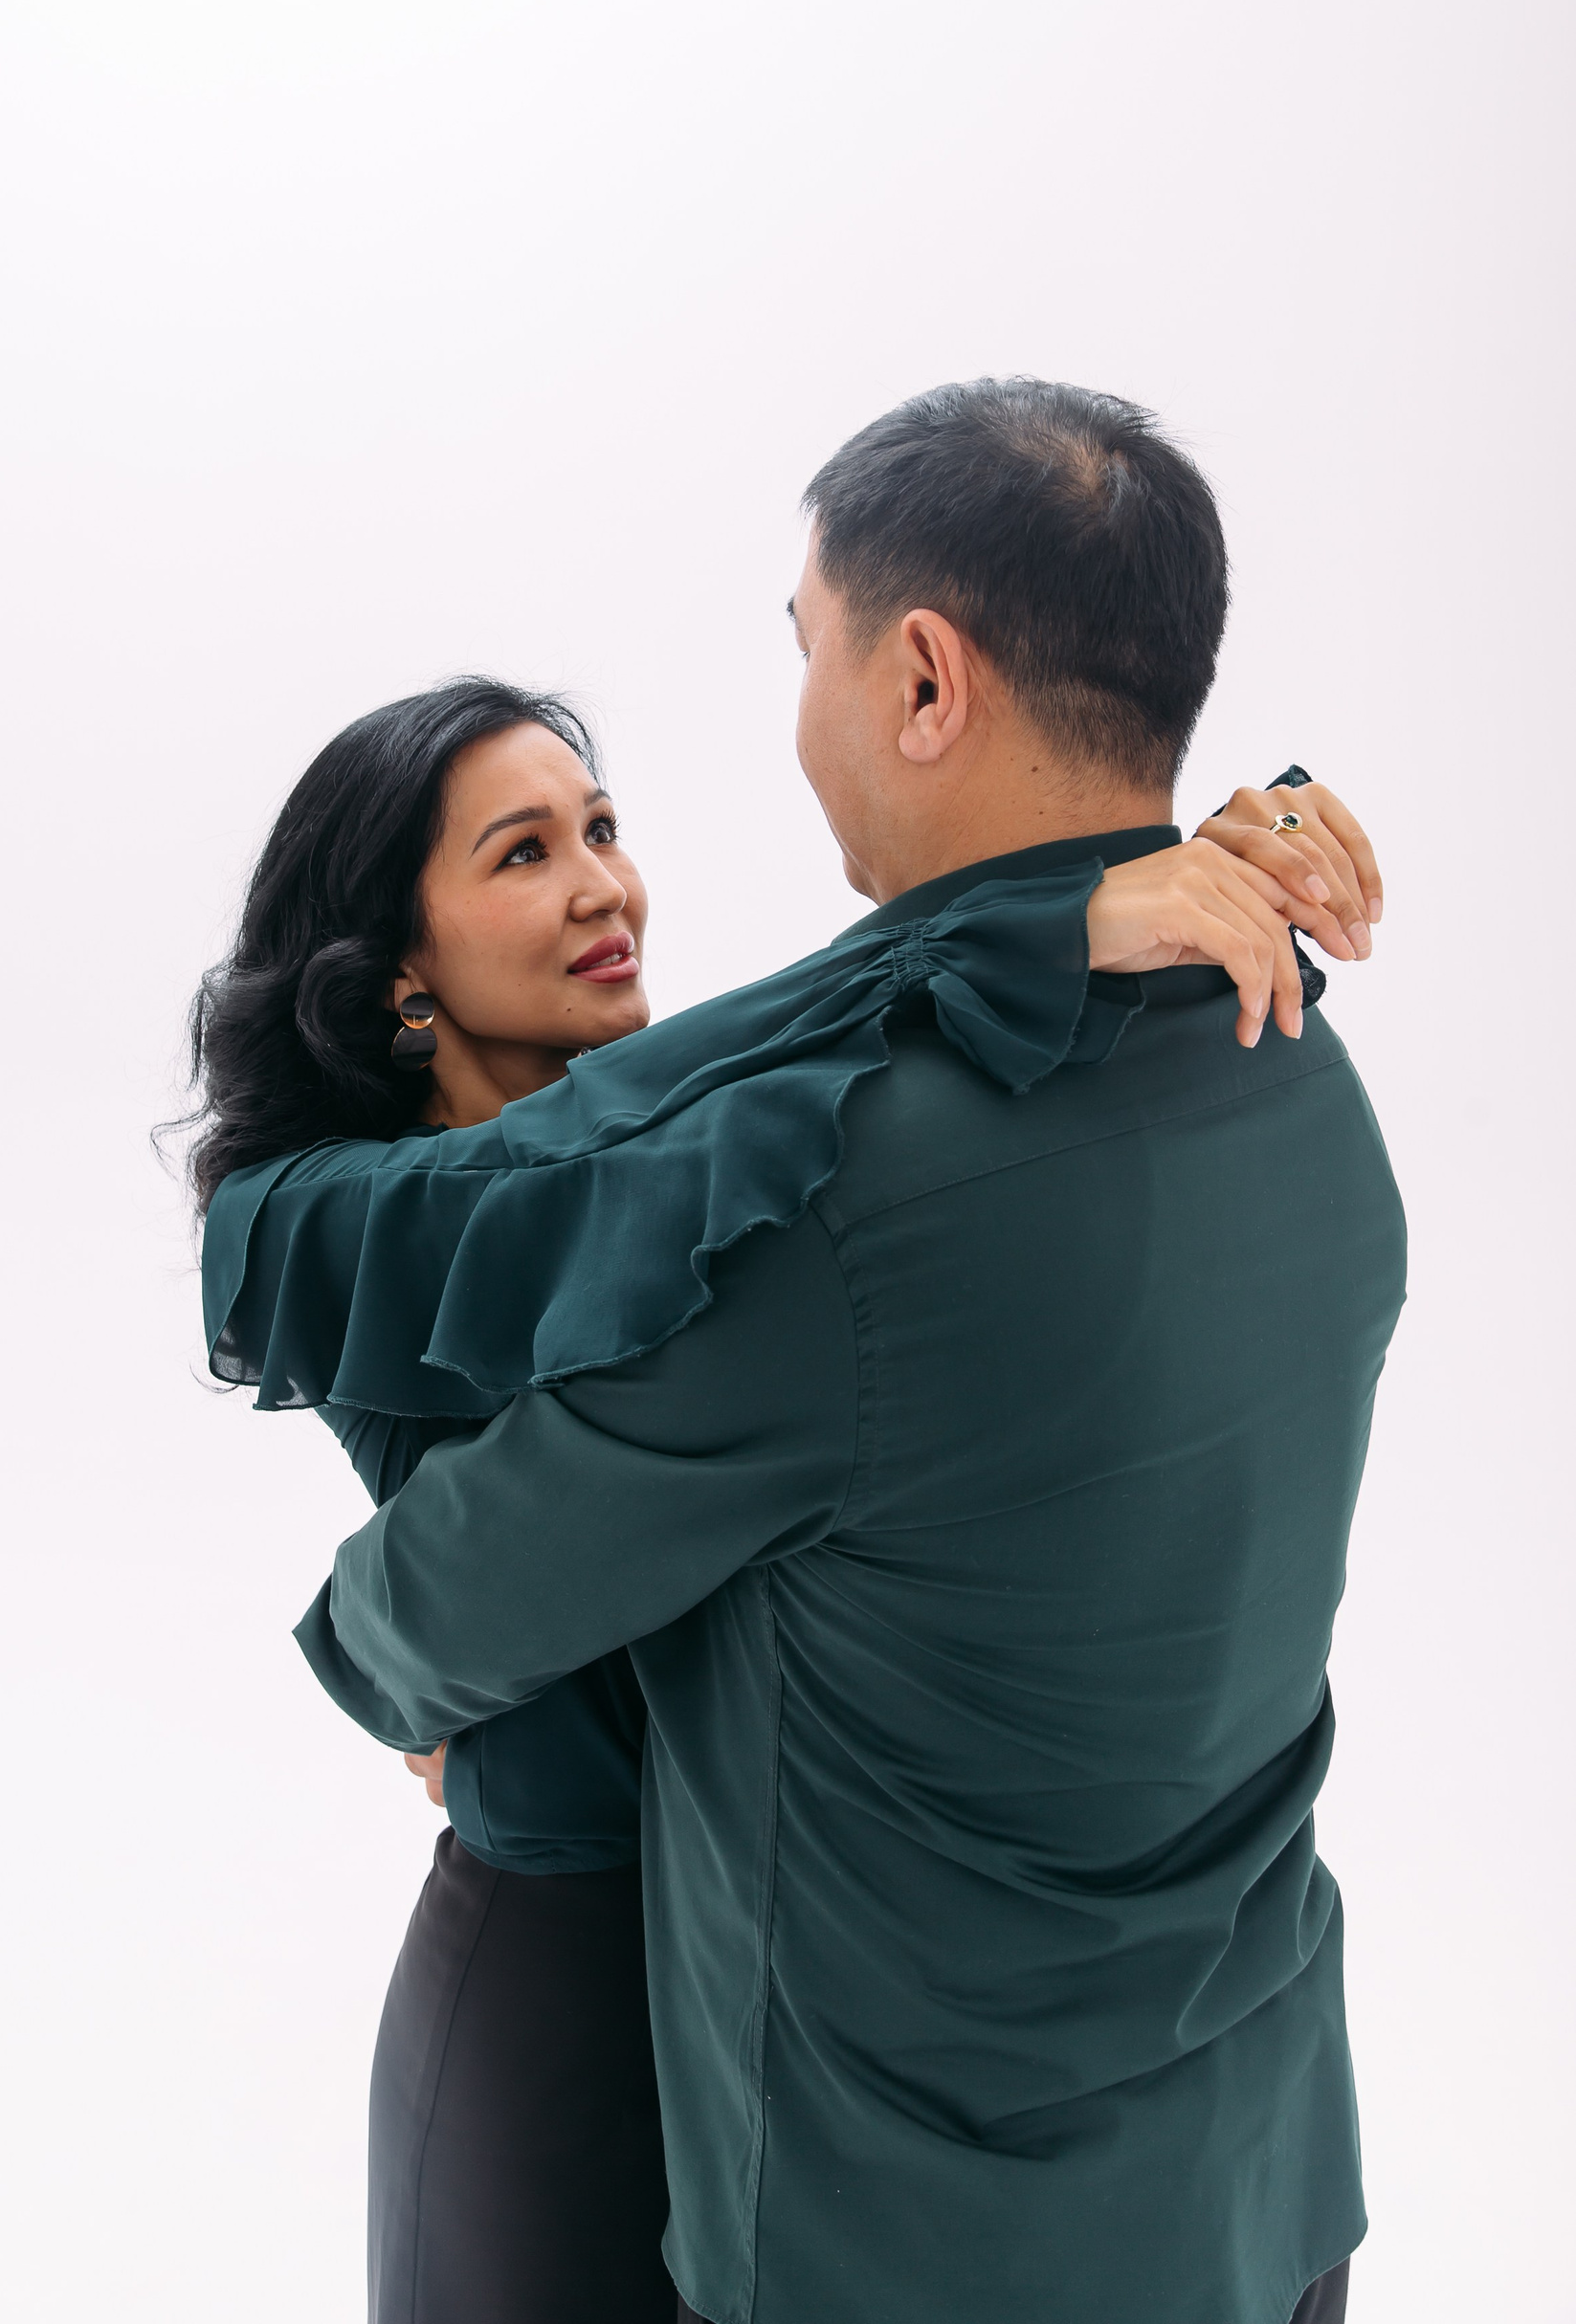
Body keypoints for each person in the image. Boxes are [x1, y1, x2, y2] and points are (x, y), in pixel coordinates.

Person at [245, 379, 1402, 2324]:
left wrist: (399, 1666)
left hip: (936, 2248)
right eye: (526, 850)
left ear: (924, 679)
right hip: (1259, 2195)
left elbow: (415, 1617)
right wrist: (1045, 924)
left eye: (810, 648)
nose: (606, 881)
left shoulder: (839, 1210)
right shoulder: (1299, 1075)